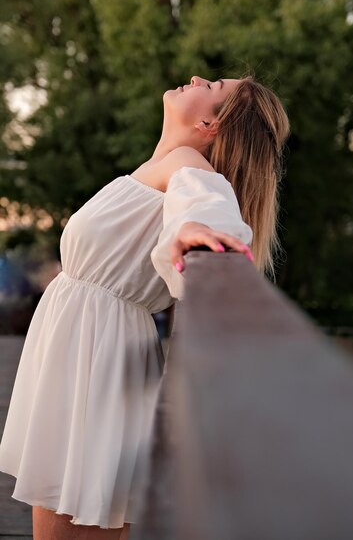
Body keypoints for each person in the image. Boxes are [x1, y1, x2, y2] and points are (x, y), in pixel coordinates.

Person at [0, 74, 290, 539]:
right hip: (83, 359)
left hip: (98, 368)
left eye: (213, 85)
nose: (196, 77)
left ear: (208, 122)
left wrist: (197, 234)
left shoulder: (190, 165)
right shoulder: (155, 169)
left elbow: (202, 203)